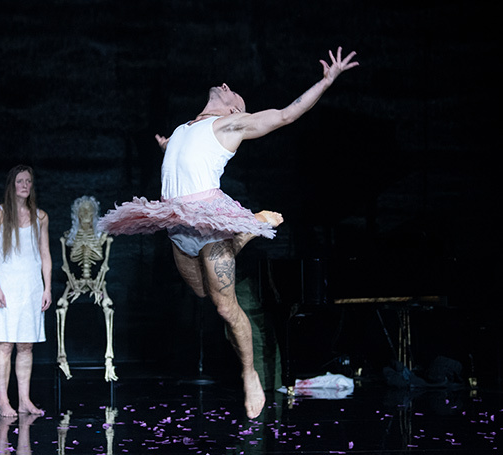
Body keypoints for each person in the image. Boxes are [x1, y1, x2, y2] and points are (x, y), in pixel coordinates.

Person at [100, 47, 358, 419]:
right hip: (177, 223)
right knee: (201, 292)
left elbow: (287, 115)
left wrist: (326, 80)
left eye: (232, 91)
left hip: (209, 220)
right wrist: (166, 147)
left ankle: (249, 374)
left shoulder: (231, 126)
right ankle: (249, 228)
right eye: (225, 85)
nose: (225, 85)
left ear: (237, 110)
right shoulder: (181, 129)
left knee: (225, 306)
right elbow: (183, 156)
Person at [0, 164, 53, 417]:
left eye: (28, 181)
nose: (25, 185)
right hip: (7, 287)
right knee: (5, 344)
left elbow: (45, 255)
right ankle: (4, 401)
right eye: (20, 181)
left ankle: (24, 400)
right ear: (11, 185)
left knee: (26, 346)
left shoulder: (41, 217)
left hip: (31, 288)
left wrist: (47, 288)